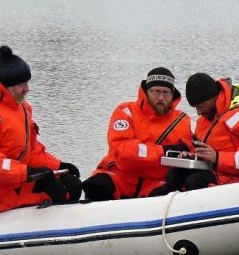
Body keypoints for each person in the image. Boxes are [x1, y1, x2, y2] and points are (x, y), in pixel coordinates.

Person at [0, 45, 81, 216]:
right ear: (6, 86)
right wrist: (27, 173)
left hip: (8, 182)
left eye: (27, 83)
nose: (27, 89)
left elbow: (29, 151)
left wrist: (57, 166)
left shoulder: (19, 107)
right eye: (21, 84)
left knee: (70, 183)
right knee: (59, 189)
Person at [82, 67, 194, 201]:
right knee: (96, 185)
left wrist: (186, 153)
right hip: (120, 176)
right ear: (147, 91)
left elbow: (192, 150)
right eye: (156, 92)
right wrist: (164, 151)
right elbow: (123, 152)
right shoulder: (126, 112)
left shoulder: (183, 121)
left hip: (155, 182)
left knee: (168, 194)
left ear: (173, 94)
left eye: (166, 93)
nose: (161, 98)